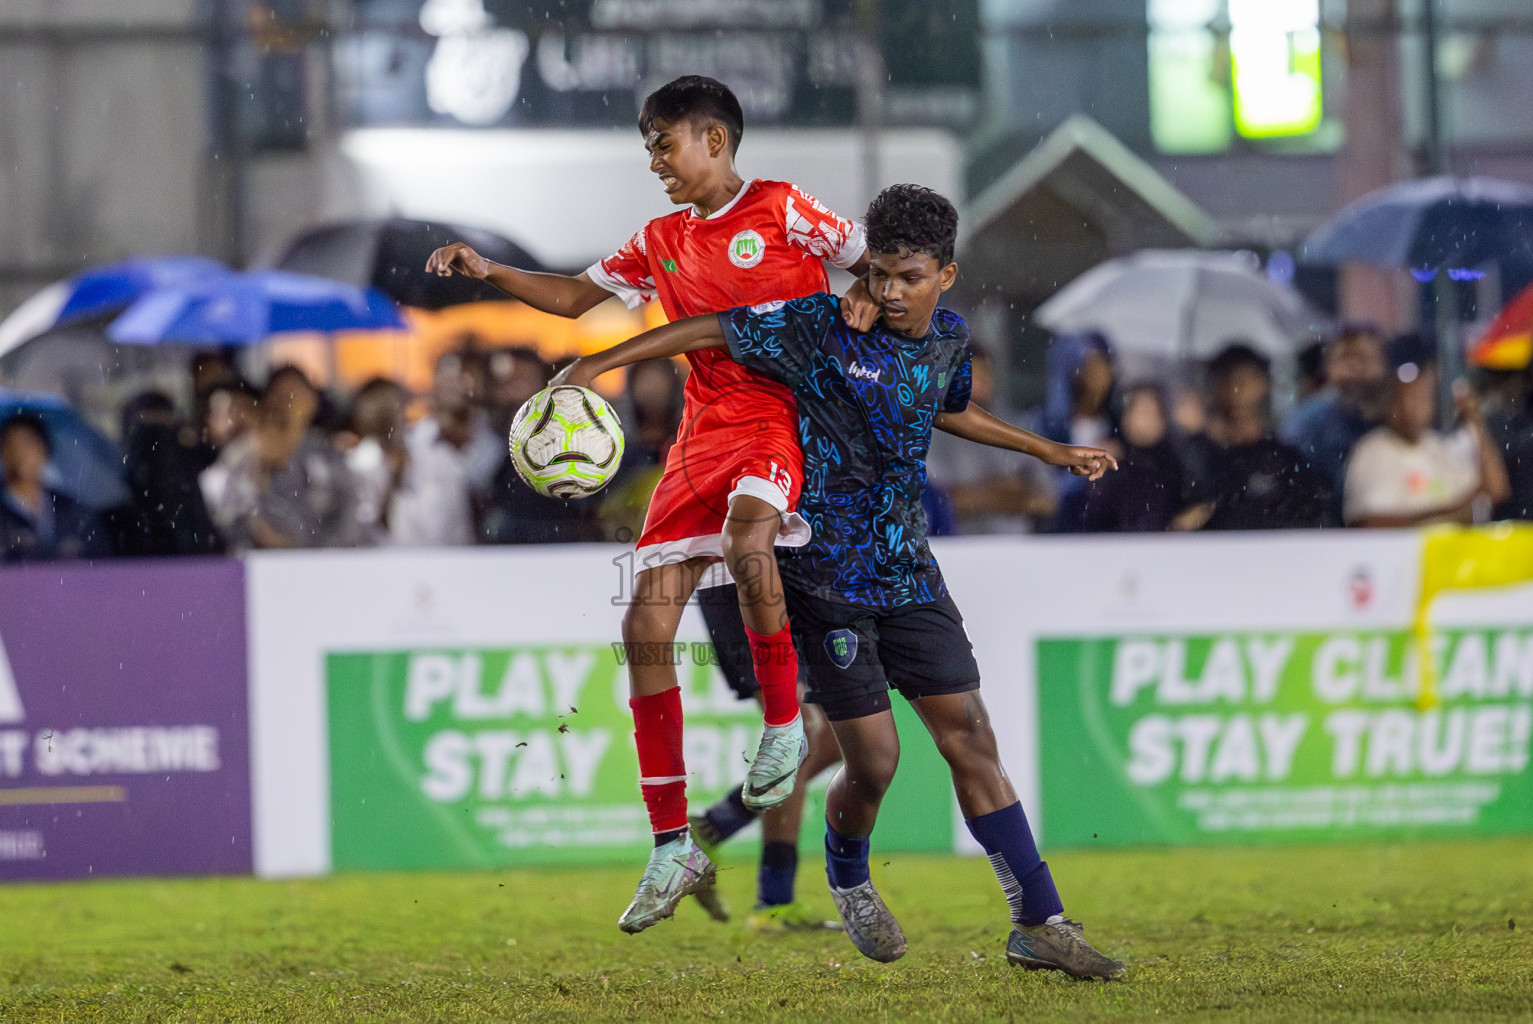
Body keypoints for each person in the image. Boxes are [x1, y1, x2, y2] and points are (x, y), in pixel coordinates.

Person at [558, 184, 1126, 979]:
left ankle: (1039, 921)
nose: (890, 291)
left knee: (971, 738)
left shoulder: (948, 342)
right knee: (874, 762)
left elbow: (945, 408)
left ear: (946, 277)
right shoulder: (817, 325)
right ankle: (848, 875)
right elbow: (712, 330)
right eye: (881, 273)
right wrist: (599, 360)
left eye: (910, 277)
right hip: (822, 576)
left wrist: (1046, 451)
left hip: (908, 570)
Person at [427, 75, 877, 931]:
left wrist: (862, 288)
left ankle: (783, 727)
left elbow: (872, 259)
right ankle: (672, 845)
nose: (655, 162)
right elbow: (573, 296)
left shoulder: (783, 208)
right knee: (643, 625)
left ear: (714, 138)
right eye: (647, 148)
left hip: (778, 422)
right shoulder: (660, 238)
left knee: (752, 544)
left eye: (663, 144)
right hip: (699, 436)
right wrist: (487, 271)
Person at [1343, 333, 1511, 527]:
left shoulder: (1437, 447)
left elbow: (1496, 491)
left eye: (1425, 395)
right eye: (1409, 395)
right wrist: (1455, 512)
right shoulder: (1373, 451)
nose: (1418, 405)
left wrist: (1475, 423)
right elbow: (1372, 523)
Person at [203, 366, 361, 551]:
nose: (289, 404)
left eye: (296, 395)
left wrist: (317, 550)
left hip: (321, 562)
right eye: (281, 395)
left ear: (312, 403)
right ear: (267, 401)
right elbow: (221, 505)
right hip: (256, 562)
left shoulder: (326, 454)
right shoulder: (243, 453)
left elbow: (348, 512)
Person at [1176, 344, 1330, 531]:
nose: (1237, 389)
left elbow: (1309, 514)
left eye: (1246, 379)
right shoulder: (1193, 453)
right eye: (1227, 379)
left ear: (1264, 385)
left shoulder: (1284, 458)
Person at [925, 348, 1056, 534]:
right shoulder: (934, 433)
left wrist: (978, 497)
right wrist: (1007, 493)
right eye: (973, 373)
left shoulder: (1015, 426)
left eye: (986, 372)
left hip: (1019, 550)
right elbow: (941, 503)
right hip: (959, 550)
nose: (982, 379)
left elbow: (1047, 501)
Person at [1278, 323, 1389, 510]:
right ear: (1327, 367)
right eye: (1343, 358)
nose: (1352, 368)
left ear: (1384, 365)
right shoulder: (1309, 419)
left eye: (1363, 358)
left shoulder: (1401, 416)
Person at [113, 391, 222, 556]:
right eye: (145, 429)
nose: (154, 440)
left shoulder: (192, 459)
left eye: (162, 429)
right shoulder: (118, 469)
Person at [0, 412, 110, 563]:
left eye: (29, 445)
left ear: (44, 449)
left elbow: (101, 561)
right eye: (12, 447)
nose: (20, 455)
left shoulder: (73, 510)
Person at [1080, 383, 1188, 532]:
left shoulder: (1177, 465)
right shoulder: (1109, 462)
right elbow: (1091, 516)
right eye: (1139, 411)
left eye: (1152, 412)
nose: (1145, 420)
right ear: (1125, 416)